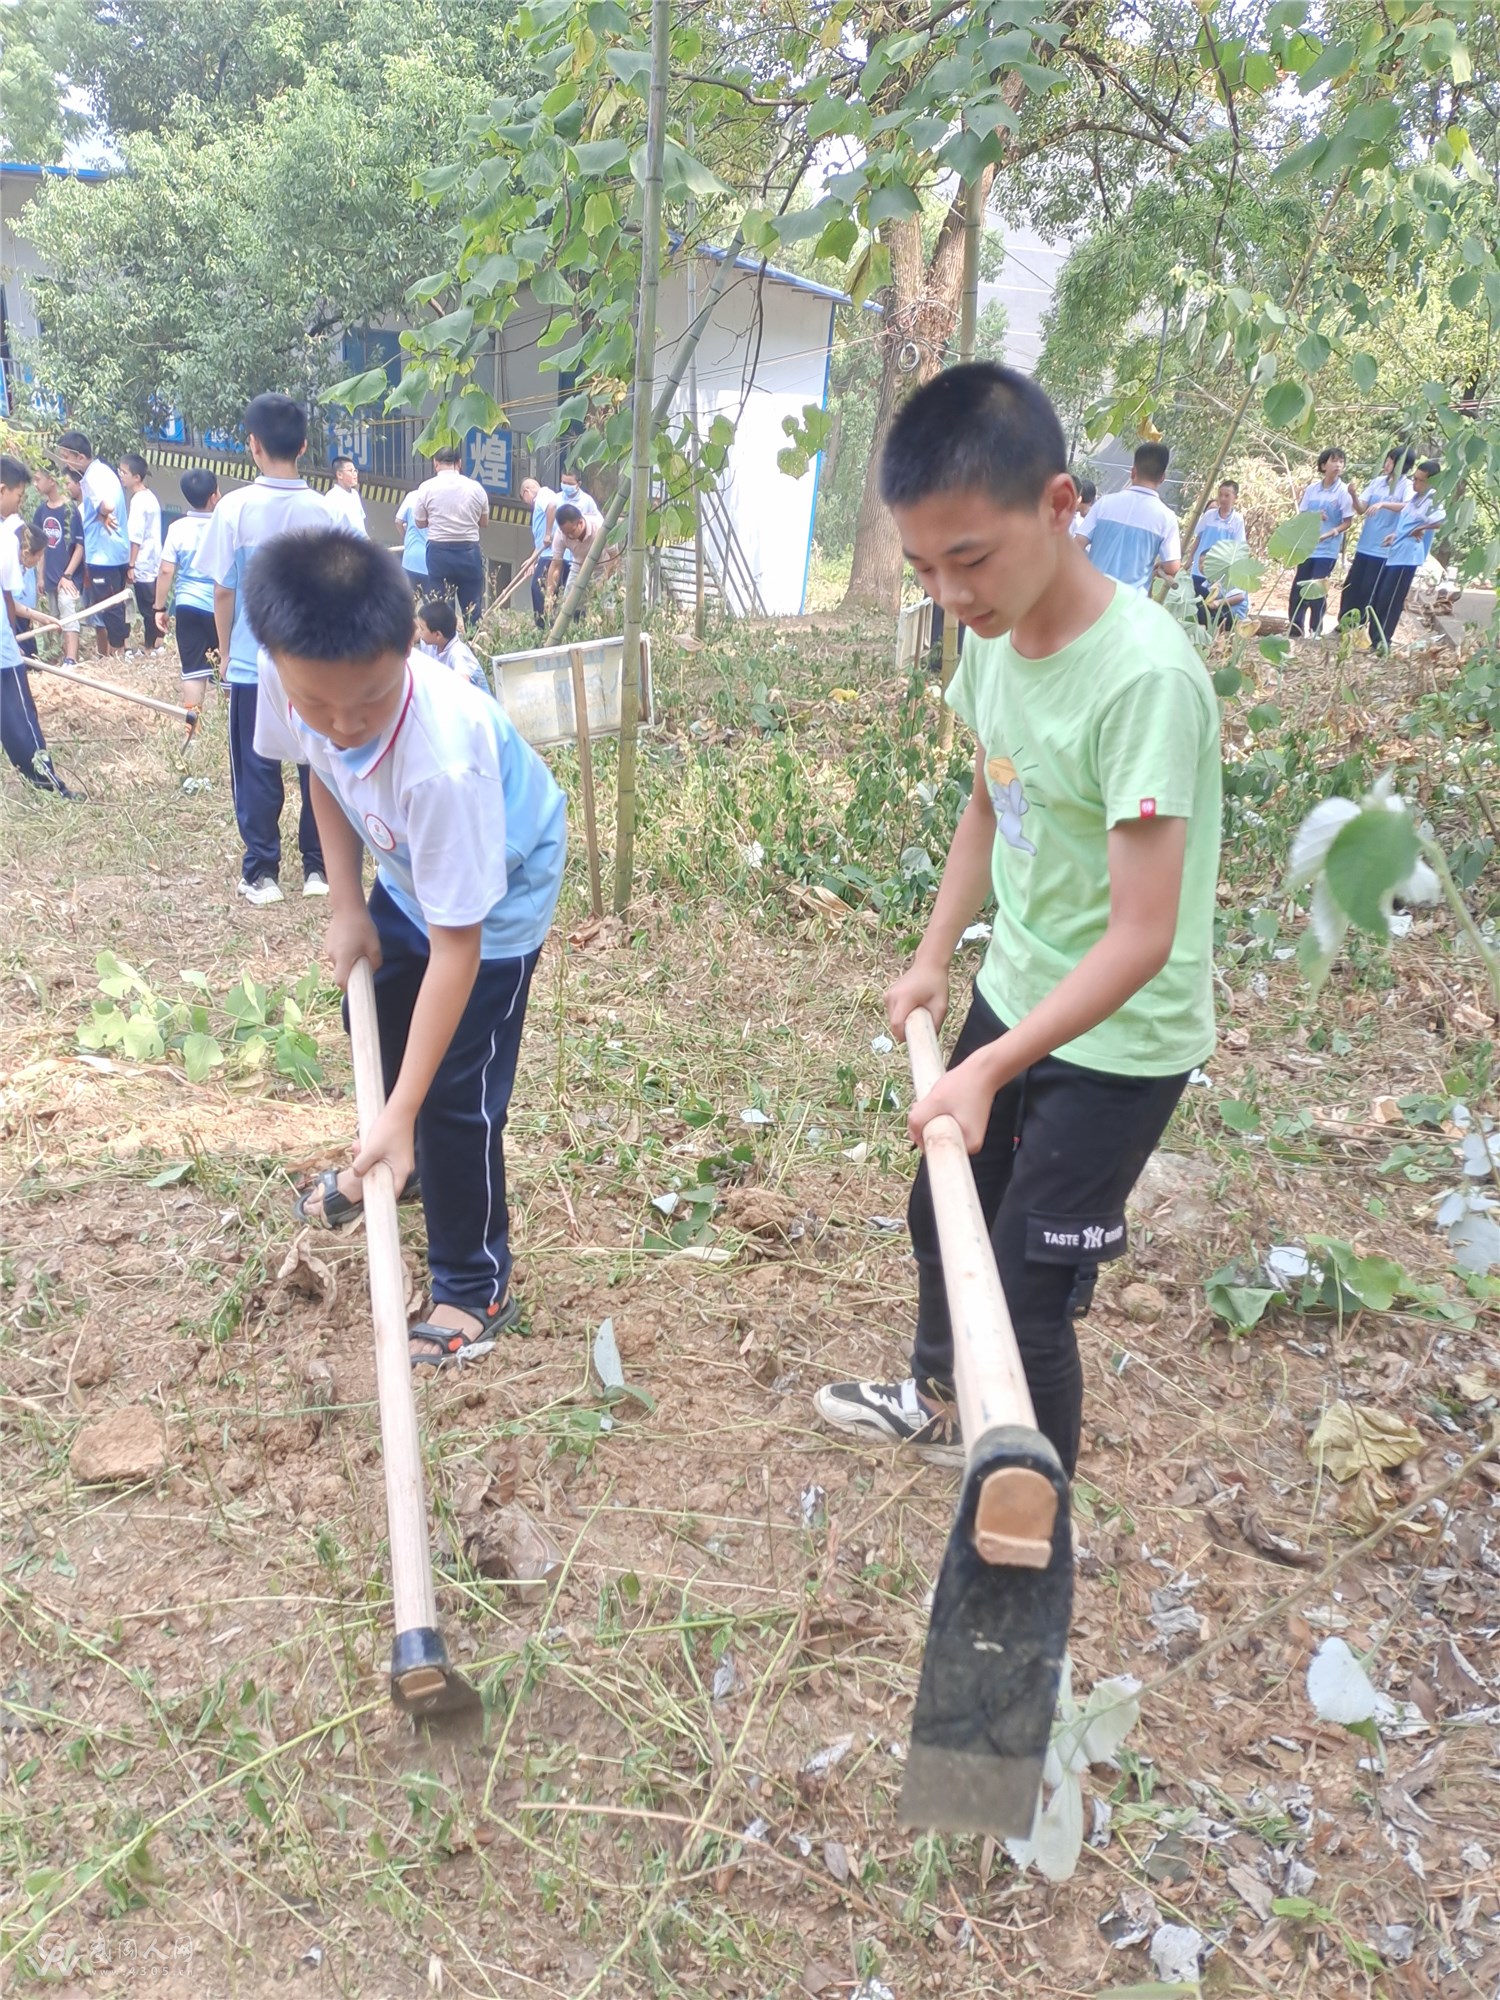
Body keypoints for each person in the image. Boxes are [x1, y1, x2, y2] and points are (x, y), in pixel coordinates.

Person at [813, 363, 1219, 1475]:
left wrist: (988, 1071)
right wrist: (935, 958)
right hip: (1020, 982)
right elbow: (991, 802)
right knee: (941, 1210)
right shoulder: (993, 639)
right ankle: (943, 1399)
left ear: (1058, 505)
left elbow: (1142, 936)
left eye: (972, 558)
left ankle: (1032, 1542)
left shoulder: (1143, 681)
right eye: (925, 566)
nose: (949, 592)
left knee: (1031, 1293)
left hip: (1121, 1039)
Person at [244, 529, 566, 1366]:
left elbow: (459, 949)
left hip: (494, 899)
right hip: (407, 872)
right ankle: (403, 1153)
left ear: (411, 650)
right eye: (320, 707)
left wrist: (402, 1107)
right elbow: (321, 770)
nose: (344, 726)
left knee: (457, 1092)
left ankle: (474, 1283)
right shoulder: (299, 687)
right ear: (277, 665)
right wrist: (346, 903)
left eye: (372, 702)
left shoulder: (443, 758)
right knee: (380, 1021)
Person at [197, 393, 331, 905]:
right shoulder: (325, 510)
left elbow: (224, 588)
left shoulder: (234, 508)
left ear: (252, 445)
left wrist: (226, 652)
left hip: (256, 664)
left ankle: (262, 873)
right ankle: (318, 869)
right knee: (316, 761)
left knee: (256, 765)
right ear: (302, 445)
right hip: (314, 665)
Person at [1, 455, 73, 796]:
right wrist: (10, 639)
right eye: (18, 496)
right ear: (3, 490)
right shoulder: (7, 537)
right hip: (2, 654)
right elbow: (6, 598)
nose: (19, 504)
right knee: (20, 720)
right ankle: (50, 786)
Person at [155, 468, 222, 734]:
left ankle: (192, 732)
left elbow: (166, 570)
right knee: (227, 671)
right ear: (215, 495)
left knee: (193, 670)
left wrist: (159, 607)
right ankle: (232, 729)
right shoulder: (225, 526)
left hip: (187, 605)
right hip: (222, 608)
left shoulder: (177, 528)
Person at [57, 430, 131, 657]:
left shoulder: (91, 477)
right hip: (116, 551)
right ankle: (118, 652)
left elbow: (106, 504)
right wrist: (102, 516)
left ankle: (118, 654)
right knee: (115, 604)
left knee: (109, 607)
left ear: (80, 457)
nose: (64, 462)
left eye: (65, 457)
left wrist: (103, 511)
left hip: (103, 554)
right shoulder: (104, 471)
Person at [1369, 459, 1445, 653]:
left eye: (1420, 480)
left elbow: (1440, 521)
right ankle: (1375, 639)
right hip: (1396, 551)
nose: (1415, 483)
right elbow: (1407, 522)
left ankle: (1383, 642)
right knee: (1380, 597)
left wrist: (1422, 528)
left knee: (1391, 599)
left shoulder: (1432, 499)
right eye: (1415, 478)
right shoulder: (1414, 498)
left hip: (1408, 557)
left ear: (1431, 482)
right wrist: (1396, 535)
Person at [1084, 443, 1181, 590]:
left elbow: (1077, 543)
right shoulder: (1166, 518)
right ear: (1162, 478)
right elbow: (1173, 566)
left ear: (1133, 472)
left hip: (1092, 595)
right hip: (1130, 605)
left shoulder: (1104, 503)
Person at [410, 445, 488, 622]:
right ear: (459, 463)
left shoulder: (426, 488)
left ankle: (445, 646)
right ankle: (472, 642)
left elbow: (419, 522)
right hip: (469, 552)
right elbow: (484, 523)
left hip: (439, 552)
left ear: (435, 464)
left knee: (442, 609)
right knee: (472, 609)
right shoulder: (476, 488)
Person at [1340, 448, 1415, 629]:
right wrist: (1353, 494)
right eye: (1387, 459)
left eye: (1391, 461)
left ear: (1401, 465)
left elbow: (1408, 507)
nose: (1387, 464)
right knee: (1352, 586)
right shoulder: (1377, 482)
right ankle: (1344, 623)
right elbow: (1361, 508)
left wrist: (1383, 504)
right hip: (1365, 544)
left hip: (1383, 549)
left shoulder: (1407, 486)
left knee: (1369, 589)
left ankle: (1360, 626)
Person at [1287, 447, 1353, 637]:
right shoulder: (1312, 489)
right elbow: (1303, 514)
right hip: (1307, 547)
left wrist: (1331, 532)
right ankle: (1295, 630)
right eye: (1334, 461)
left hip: (1327, 550)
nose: (1338, 465)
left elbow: (1348, 522)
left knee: (1316, 589)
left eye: (1341, 461)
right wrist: (1315, 516)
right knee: (1298, 589)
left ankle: (1316, 630)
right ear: (1323, 465)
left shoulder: (1343, 491)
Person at [31, 464, 85, 665]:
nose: (35, 484)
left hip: (68, 577)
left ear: (51, 481)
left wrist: (68, 575)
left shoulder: (70, 510)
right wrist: (40, 576)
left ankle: (71, 659)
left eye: (38, 479)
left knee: (68, 611)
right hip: (50, 577)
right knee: (54, 618)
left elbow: (79, 546)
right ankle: (59, 658)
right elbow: (40, 548)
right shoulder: (40, 512)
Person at [120, 454, 164, 648]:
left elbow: (135, 537)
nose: (121, 475)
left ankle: (151, 645)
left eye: (124, 472)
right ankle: (155, 643)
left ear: (136, 477)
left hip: (143, 562)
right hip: (153, 559)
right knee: (153, 604)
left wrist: (131, 564)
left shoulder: (138, 501)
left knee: (147, 608)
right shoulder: (150, 497)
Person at [1186, 480, 1247, 616]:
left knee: (1211, 608)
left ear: (1235, 498)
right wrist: (1190, 558)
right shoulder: (1208, 516)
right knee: (1195, 604)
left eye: (1227, 495)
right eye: (1220, 495)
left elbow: (1238, 547)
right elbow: (1199, 537)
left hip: (1218, 572)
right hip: (1199, 568)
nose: (1223, 499)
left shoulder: (1237, 520)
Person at [547, 501, 615, 616]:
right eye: (566, 533)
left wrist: (603, 580)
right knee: (568, 606)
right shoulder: (561, 534)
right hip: (578, 568)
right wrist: (549, 595)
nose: (569, 536)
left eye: (572, 531)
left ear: (580, 523)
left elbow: (614, 557)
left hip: (602, 568)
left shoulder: (599, 527)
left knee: (606, 609)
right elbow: (556, 565)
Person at [416, 597, 490, 692]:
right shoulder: (433, 642)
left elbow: (462, 686)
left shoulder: (458, 653)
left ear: (437, 635)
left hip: (474, 703)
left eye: (422, 629)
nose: (419, 632)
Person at [519, 475, 557, 627]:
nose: (527, 503)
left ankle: (544, 626)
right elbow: (541, 540)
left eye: (524, 498)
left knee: (538, 588)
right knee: (540, 589)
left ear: (527, 491)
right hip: (544, 553)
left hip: (551, 554)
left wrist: (548, 533)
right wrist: (531, 561)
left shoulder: (543, 495)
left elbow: (552, 505)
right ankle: (544, 624)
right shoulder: (541, 501)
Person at [324, 457, 368, 537]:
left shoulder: (355, 494)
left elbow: (361, 525)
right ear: (339, 474)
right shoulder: (332, 497)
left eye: (355, 471)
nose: (355, 474)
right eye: (350, 471)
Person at [395, 489, 428, 594]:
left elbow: (398, 521)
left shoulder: (412, 495)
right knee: (433, 603)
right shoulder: (441, 499)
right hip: (430, 562)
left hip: (410, 559)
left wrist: (406, 538)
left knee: (409, 603)